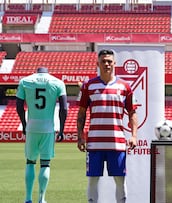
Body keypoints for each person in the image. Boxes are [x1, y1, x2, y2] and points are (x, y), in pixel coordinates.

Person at [77, 49, 138, 203]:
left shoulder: (125, 87)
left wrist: (134, 136)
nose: (106, 64)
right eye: (103, 61)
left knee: (119, 180)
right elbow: (82, 113)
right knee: (93, 180)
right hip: (94, 143)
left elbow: (132, 112)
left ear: (114, 63)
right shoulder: (88, 86)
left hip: (117, 143)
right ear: (97, 64)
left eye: (109, 61)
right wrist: (80, 136)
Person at [16, 67, 68, 203]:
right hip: (48, 128)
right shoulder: (58, 82)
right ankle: (41, 198)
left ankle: (27, 198)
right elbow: (64, 108)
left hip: (32, 127)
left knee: (30, 162)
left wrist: (24, 124)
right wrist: (61, 130)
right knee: (45, 164)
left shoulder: (24, 81)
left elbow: (19, 106)